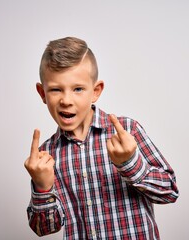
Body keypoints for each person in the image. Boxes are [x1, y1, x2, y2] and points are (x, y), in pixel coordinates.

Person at [24, 36, 179, 239]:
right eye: (55, 89)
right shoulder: (46, 157)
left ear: (95, 91)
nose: (66, 100)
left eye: (78, 89)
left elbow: (169, 191)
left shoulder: (127, 131)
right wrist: (42, 187)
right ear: (42, 93)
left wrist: (130, 164)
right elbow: (44, 229)